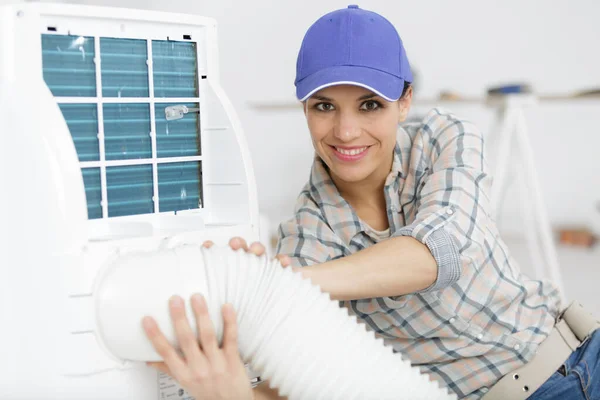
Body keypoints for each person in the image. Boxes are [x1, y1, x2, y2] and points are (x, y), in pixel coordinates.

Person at [142, 5, 600, 400]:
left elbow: (440, 252)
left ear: (404, 102)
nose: (345, 132)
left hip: (584, 362)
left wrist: (280, 285)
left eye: (369, 105)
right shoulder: (306, 235)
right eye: (324, 106)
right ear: (303, 107)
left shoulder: (445, 140)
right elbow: (302, 381)